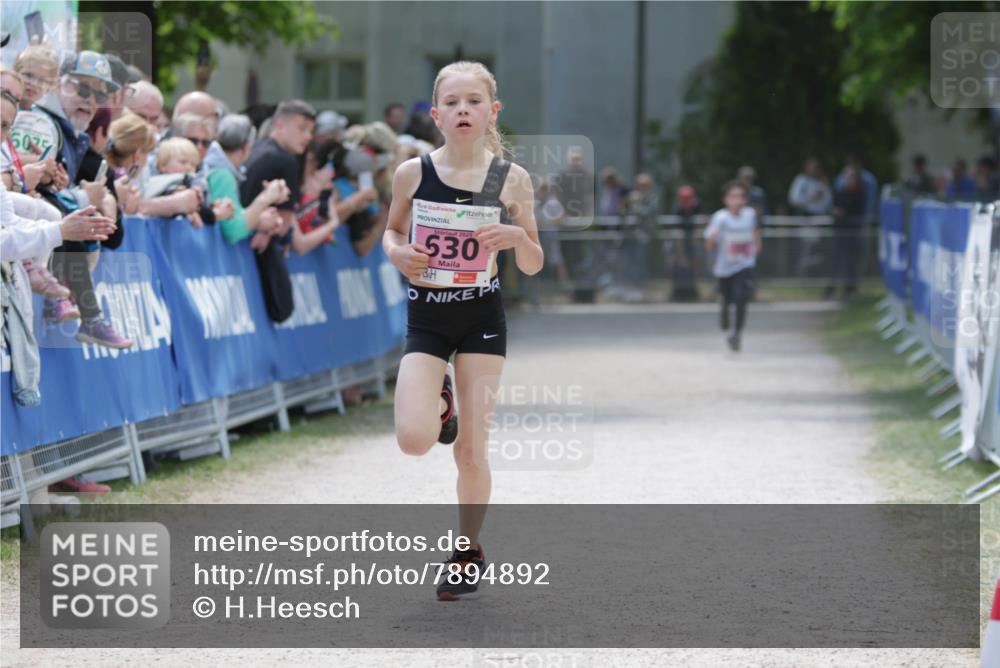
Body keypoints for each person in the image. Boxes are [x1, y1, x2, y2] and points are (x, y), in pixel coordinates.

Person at [382, 61, 542, 600]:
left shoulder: (510, 179)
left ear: (492, 111)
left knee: (471, 452)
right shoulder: (413, 172)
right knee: (413, 440)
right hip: (427, 317)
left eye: (474, 101)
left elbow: (537, 260)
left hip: (480, 318)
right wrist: (399, 254)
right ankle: (440, 406)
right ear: (436, 114)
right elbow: (391, 232)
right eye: (452, 102)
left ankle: (467, 550)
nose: (463, 110)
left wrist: (516, 235)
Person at [240, 99, 341, 321]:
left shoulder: (257, 148)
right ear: (279, 125)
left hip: (244, 239)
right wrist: (268, 228)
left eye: (311, 131)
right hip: (255, 246)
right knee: (282, 308)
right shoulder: (285, 161)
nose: (308, 136)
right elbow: (285, 223)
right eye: (302, 129)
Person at [205, 113, 288, 244]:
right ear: (247, 147)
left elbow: (233, 216)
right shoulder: (222, 174)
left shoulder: (216, 166)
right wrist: (265, 199)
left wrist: (258, 220)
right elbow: (233, 231)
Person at [704, 181, 761, 352]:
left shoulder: (750, 215)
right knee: (727, 298)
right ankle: (724, 310)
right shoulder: (720, 218)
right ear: (726, 199)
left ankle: (737, 334)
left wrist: (756, 249)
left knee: (741, 297)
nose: (738, 200)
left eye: (741, 196)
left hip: (744, 264)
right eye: (734, 196)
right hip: (725, 266)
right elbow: (709, 244)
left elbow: (756, 233)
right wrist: (713, 238)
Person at [826, 164, 866, 300]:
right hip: (839, 232)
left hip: (852, 233)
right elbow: (831, 207)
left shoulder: (860, 194)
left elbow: (858, 211)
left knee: (851, 262)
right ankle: (831, 289)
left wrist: (845, 213)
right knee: (835, 262)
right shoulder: (840, 192)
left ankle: (850, 289)